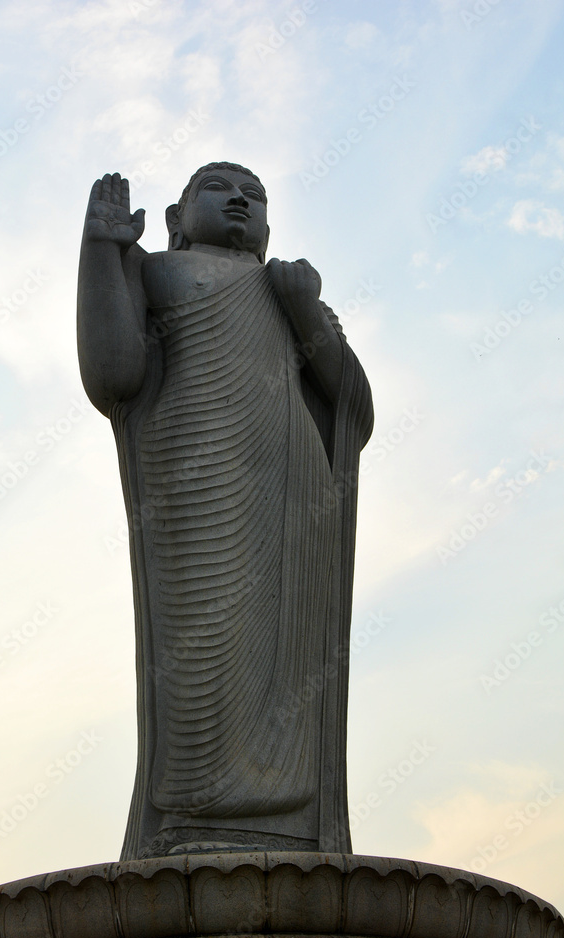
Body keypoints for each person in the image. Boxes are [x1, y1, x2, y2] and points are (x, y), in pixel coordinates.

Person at [77, 162, 373, 858]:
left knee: (283, 643)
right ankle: (195, 815)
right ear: (177, 220)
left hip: (291, 484)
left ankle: (285, 820)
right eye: (218, 186)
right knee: (203, 632)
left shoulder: (284, 287)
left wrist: (305, 311)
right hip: (193, 465)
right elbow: (114, 372)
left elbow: (352, 408)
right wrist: (100, 251)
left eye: (256, 194)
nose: (240, 198)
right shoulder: (155, 270)